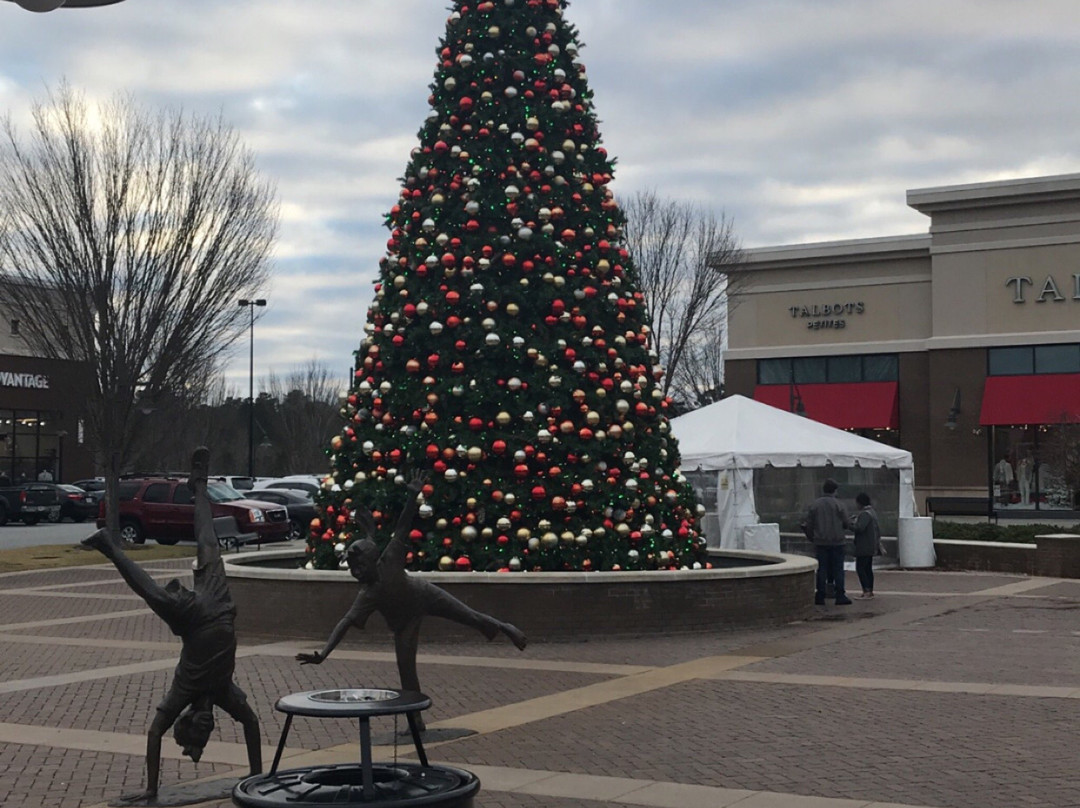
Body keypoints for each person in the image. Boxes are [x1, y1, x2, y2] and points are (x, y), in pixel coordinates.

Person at [81, 447, 262, 802]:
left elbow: (154, 732)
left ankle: (111, 545)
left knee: (158, 597)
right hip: (220, 607)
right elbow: (252, 724)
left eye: (197, 732)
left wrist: (151, 789)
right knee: (208, 543)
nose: (206, 729)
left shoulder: (185, 692)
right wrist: (257, 778)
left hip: (195, 618)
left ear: (190, 720)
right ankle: (199, 487)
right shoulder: (224, 693)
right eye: (205, 737)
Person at [297, 471, 527, 730]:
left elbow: (403, 525)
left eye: (359, 566)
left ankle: (505, 627)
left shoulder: (390, 559)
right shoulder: (368, 594)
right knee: (406, 670)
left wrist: (412, 494)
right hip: (403, 622)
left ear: (372, 561)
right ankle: (416, 721)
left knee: (468, 615)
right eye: (352, 568)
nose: (356, 573)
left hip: (423, 594)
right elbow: (346, 622)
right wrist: (324, 654)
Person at [805, 478, 852, 605]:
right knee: (838, 569)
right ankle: (840, 595)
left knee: (822, 569)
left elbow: (809, 524)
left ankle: (820, 595)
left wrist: (812, 538)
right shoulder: (840, 505)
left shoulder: (815, 505)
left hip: (820, 542)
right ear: (835, 490)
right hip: (837, 542)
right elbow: (847, 523)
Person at [851, 492, 882, 599]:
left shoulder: (864, 514)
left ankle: (866, 591)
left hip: (864, 546)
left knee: (861, 568)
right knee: (868, 568)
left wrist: (851, 524)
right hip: (871, 545)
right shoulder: (872, 512)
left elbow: (859, 528)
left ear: (860, 503)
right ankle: (870, 590)